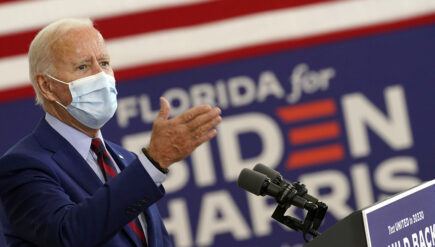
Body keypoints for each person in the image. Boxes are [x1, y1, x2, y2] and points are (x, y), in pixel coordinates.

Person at [0, 18, 222, 247]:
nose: (101, 75)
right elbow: (68, 236)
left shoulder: (126, 160)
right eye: (83, 67)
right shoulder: (22, 166)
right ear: (47, 86)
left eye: (104, 63)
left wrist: (148, 165)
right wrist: (154, 162)